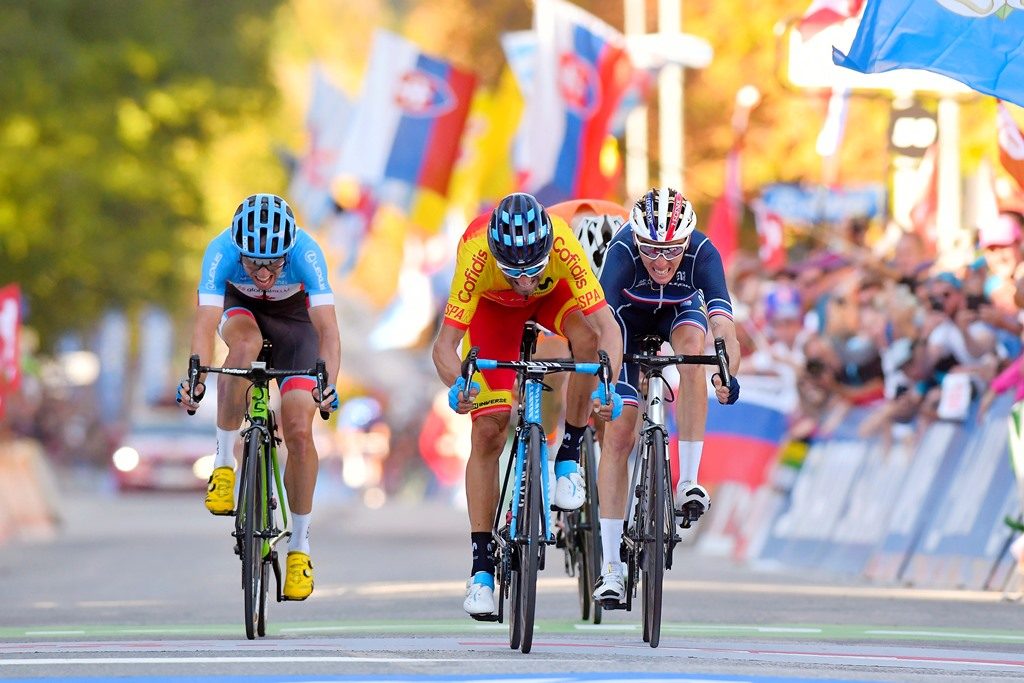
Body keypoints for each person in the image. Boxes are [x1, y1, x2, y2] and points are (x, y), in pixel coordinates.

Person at [430, 192, 625, 617]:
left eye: (531, 269)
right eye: (513, 272)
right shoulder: (476, 251)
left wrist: (606, 384)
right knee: (488, 430)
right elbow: (445, 346)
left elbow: (609, 327)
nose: (523, 280)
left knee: (587, 340)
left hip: (552, 300)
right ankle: (481, 570)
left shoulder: (562, 244)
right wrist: (460, 385)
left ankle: (569, 456)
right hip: (493, 314)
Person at [175, 193, 341, 601]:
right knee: (242, 350)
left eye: (273, 263)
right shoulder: (220, 251)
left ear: (288, 252)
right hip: (241, 313)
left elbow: (328, 332)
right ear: (239, 250)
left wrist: (328, 384)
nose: (264, 273)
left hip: (295, 325)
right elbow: (205, 323)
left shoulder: (307, 252)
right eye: (253, 263)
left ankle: (300, 547)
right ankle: (224, 464)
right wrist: (195, 375)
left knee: (300, 431)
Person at [590, 187, 742, 605]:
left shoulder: (703, 254)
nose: (661, 261)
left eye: (672, 251)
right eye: (652, 251)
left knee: (695, 349)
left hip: (679, 314)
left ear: (687, 242)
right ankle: (610, 569)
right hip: (626, 321)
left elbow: (725, 330)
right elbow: (605, 333)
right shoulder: (621, 253)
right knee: (619, 435)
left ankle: (689, 480)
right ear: (637, 240)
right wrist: (606, 388)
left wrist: (728, 373)